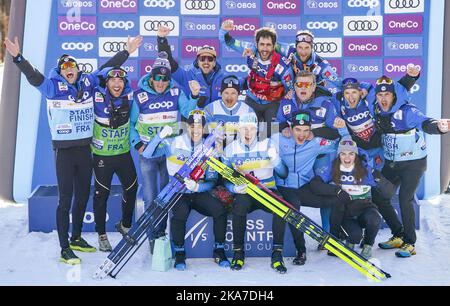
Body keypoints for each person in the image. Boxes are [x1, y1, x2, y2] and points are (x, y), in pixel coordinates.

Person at [4, 36, 142, 265]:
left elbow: (108, 68)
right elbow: (33, 76)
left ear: (78, 70)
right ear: (60, 71)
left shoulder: (88, 82)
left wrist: (126, 51)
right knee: (65, 199)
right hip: (64, 151)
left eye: (73, 66)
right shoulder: (52, 86)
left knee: (83, 196)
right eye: (65, 67)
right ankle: (64, 247)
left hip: (85, 149)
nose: (70, 70)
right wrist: (18, 57)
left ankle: (76, 237)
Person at [372, 76, 449, 257]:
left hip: (413, 164)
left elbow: (425, 122)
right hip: (393, 163)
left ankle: (409, 242)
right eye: (380, 95)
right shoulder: (377, 110)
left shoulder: (406, 111)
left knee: (405, 199)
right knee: (379, 196)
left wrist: (438, 126)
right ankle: (398, 234)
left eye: (388, 94)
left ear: (394, 96)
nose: (383, 98)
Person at [142, 110, 230, 270]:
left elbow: (211, 180)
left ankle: (219, 250)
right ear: (187, 127)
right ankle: (180, 253)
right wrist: (159, 137)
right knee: (179, 214)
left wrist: (198, 186)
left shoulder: (209, 147)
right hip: (178, 193)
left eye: (199, 126)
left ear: (203, 128)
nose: (195, 130)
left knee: (219, 210)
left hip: (198, 192)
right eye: (192, 126)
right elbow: (147, 154)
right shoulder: (174, 142)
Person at [130, 53, 200, 243]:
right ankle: (152, 235)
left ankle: (160, 233)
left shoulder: (176, 92)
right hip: (149, 155)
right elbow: (131, 124)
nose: (161, 82)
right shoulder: (140, 96)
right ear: (151, 77)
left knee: (165, 196)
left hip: (169, 154)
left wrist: (194, 95)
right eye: (158, 78)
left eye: (165, 78)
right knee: (150, 196)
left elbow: (188, 112)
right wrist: (137, 144)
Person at [277, 71, 348, 232]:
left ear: (314, 86)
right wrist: (283, 129)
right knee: (291, 188)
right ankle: (293, 233)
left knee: (322, 188)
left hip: (321, 155)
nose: (303, 88)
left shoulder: (325, 104)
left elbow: (335, 133)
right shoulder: (286, 102)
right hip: (298, 156)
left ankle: (328, 233)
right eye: (299, 84)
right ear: (294, 86)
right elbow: (278, 123)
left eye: (307, 84)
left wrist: (315, 133)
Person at [221, 112, 287, 273]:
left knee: (281, 208)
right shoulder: (230, 149)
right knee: (239, 206)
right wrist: (233, 188)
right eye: (244, 128)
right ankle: (238, 253)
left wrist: (276, 161)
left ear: (256, 129)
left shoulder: (268, 144)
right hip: (246, 193)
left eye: (251, 128)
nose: (247, 132)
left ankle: (277, 253)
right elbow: (225, 179)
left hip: (267, 190)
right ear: (239, 129)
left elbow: (283, 173)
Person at [310, 137, 396, 259]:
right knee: (354, 236)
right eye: (343, 154)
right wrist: (336, 190)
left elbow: (389, 192)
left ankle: (367, 245)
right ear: (339, 155)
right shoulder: (333, 167)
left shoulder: (365, 169)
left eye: (351, 154)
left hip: (365, 209)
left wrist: (378, 178)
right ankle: (349, 239)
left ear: (356, 155)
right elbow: (315, 185)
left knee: (375, 218)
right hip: (346, 214)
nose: (347, 158)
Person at [274, 111, 340, 265]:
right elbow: (259, 138)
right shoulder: (277, 139)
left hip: (303, 187)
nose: (301, 135)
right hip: (283, 188)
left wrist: (342, 130)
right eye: (297, 130)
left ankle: (334, 237)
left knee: (334, 199)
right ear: (291, 128)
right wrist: (281, 128)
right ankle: (301, 250)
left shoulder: (315, 143)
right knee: (293, 208)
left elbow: (339, 145)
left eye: (305, 131)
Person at [332, 66, 421, 171]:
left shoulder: (371, 97)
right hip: (359, 148)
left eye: (354, 92)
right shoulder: (338, 102)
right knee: (357, 175)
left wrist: (410, 77)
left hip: (379, 145)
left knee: (381, 175)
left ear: (360, 92)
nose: (351, 97)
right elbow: (330, 80)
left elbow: (396, 90)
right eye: (347, 93)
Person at [219, 20, 294, 136]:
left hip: (273, 103)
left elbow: (290, 88)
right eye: (262, 44)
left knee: (271, 136)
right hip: (252, 99)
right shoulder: (250, 49)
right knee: (246, 133)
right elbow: (229, 42)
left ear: (274, 45)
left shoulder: (282, 66)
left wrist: (290, 93)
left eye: (268, 45)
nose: (265, 49)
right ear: (256, 44)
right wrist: (224, 31)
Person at [91, 67, 137, 252]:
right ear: (106, 82)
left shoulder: (131, 97)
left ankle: (125, 225)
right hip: (102, 156)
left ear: (125, 83)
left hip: (123, 153)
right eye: (112, 80)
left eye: (120, 81)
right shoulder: (95, 95)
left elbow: (151, 87)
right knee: (101, 195)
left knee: (132, 188)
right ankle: (101, 235)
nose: (116, 84)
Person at [157, 25, 230, 107]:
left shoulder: (224, 78)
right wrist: (161, 39)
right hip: (192, 118)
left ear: (214, 62)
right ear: (197, 62)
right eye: (202, 59)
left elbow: (245, 84)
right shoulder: (187, 76)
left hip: (216, 119)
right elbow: (168, 61)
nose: (206, 62)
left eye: (210, 59)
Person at [263, 30, 341, 93]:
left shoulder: (321, 65)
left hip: (309, 93)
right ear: (295, 47)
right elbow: (268, 44)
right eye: (300, 47)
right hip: (290, 90)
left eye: (307, 48)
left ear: (312, 48)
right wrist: (252, 49)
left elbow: (338, 83)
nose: (303, 52)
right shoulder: (288, 50)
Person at [204, 75, 256, 153]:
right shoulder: (211, 108)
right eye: (226, 93)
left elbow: (252, 135)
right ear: (221, 93)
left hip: (239, 153)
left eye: (233, 93)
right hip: (215, 152)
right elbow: (202, 129)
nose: (229, 97)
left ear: (238, 94)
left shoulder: (247, 110)